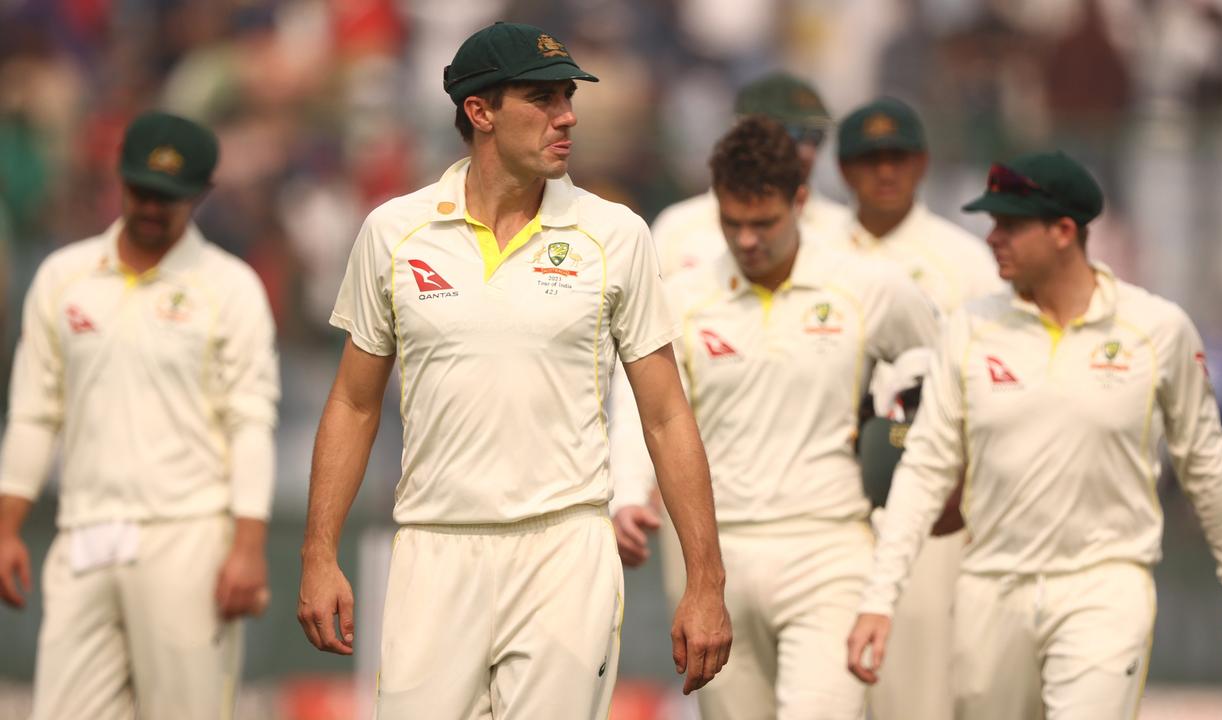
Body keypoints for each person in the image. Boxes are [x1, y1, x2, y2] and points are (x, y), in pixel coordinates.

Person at [295, 22, 732, 719]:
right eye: (543, 99)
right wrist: (318, 555)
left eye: (567, 96)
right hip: (434, 549)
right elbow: (352, 404)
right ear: (481, 112)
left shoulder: (615, 234)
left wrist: (706, 582)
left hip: (565, 549)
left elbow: (666, 414)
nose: (568, 116)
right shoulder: (393, 232)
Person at [848, 150, 1222, 718]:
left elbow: (1206, 472)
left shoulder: (1156, 330)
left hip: (1105, 587)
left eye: (1010, 225)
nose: (993, 237)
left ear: (1063, 232)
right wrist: (879, 599)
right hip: (991, 589)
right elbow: (926, 470)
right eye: (993, 222)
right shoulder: (971, 328)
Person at [617, 115, 937, 719]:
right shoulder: (682, 300)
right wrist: (628, 492)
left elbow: (942, 382)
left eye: (763, 223)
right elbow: (650, 412)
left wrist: (916, 453)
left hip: (831, 545)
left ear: (801, 200)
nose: (746, 240)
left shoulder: (870, 289)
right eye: (731, 223)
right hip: (715, 554)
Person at [0, 111, 279, 719]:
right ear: (118, 180)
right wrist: (6, 526)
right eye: (141, 191)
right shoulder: (63, 278)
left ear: (202, 195)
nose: (152, 207)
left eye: (170, 198)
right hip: (85, 529)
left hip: (188, 535)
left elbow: (250, 422)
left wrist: (247, 546)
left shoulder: (230, 288)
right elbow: (33, 411)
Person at [835, 96, 1001, 720]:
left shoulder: (966, 262)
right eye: (869, 158)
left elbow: (988, 386)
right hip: (831, 495)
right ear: (844, 169)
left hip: (928, 498)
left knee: (919, 690)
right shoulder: (817, 250)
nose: (885, 172)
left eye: (897, 158)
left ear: (923, 163)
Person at [647, 72, 849, 277]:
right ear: (741, 131)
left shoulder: (846, 230)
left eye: (815, 136)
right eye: (791, 133)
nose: (806, 152)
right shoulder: (678, 227)